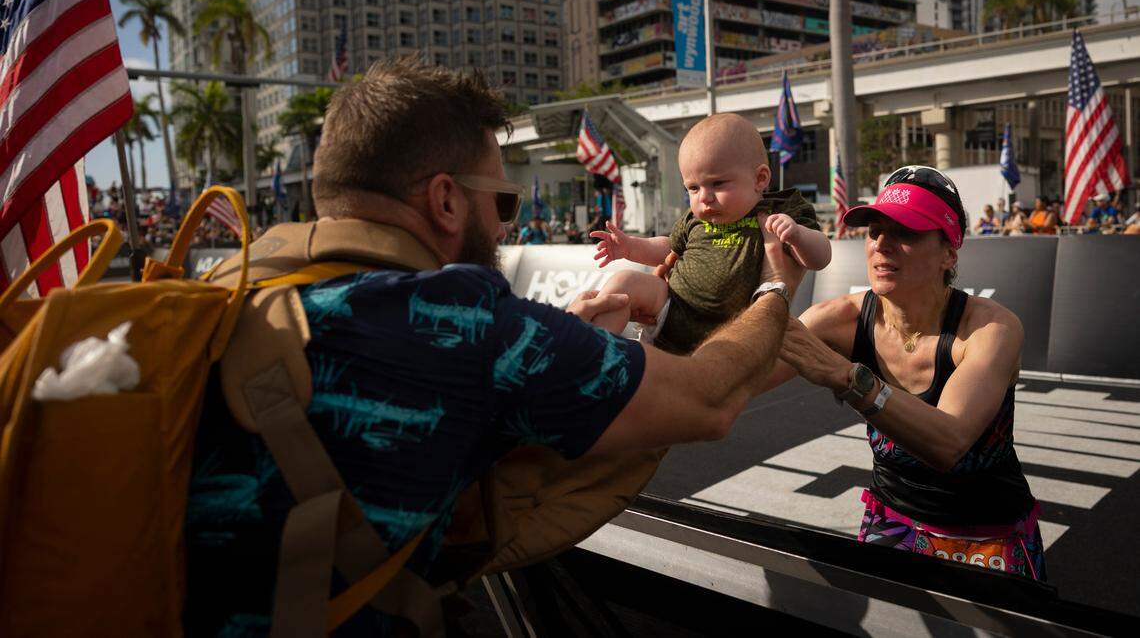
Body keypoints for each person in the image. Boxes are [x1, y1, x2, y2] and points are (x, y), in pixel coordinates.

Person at [184, 59, 805, 635]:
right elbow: (708, 401)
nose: (506, 224)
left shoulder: (221, 289)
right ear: (447, 200)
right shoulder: (465, 323)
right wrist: (777, 287)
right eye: (503, 200)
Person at [771, 165, 1046, 581]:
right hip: (891, 520)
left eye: (907, 232)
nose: (882, 244)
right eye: (874, 230)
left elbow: (947, 441)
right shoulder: (836, 319)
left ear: (949, 253)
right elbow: (738, 379)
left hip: (989, 533)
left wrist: (848, 377)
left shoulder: (991, 328)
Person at [588, 113, 831, 353]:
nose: (704, 197)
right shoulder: (694, 219)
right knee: (624, 282)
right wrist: (631, 247)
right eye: (693, 188)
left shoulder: (780, 210)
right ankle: (596, 359)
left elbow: (821, 257)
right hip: (673, 308)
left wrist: (798, 235)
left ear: (760, 178)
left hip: (733, 330)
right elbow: (669, 249)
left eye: (718, 183)